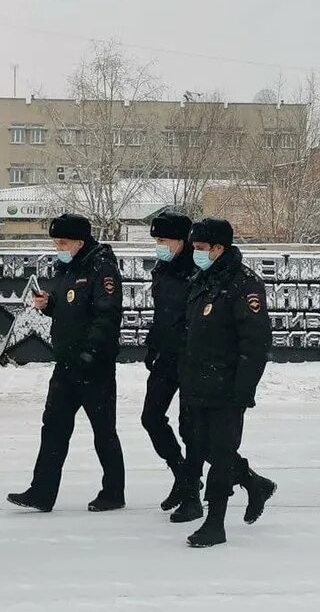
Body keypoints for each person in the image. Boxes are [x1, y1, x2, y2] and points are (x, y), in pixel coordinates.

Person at [7, 213, 125, 513]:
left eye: (64, 242)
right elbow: (70, 308)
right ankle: (41, 492)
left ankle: (113, 492)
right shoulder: (66, 268)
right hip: (66, 362)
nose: (59, 247)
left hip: (94, 365)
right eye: (56, 242)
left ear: (80, 241)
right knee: (54, 428)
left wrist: (90, 352)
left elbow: (106, 315)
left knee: (103, 430)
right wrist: (51, 305)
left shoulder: (102, 268)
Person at [177, 218, 277, 548]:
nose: (196, 254)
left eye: (202, 248)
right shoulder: (202, 280)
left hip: (226, 386)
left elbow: (256, 342)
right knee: (200, 445)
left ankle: (215, 522)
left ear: (220, 248)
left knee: (220, 452)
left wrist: (243, 390)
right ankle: (253, 482)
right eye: (195, 248)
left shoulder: (244, 284)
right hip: (197, 383)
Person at [142, 211, 196, 514]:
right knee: (151, 418)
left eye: (164, 240)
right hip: (165, 357)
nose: (159, 246)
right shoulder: (163, 268)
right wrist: (153, 347)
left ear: (182, 240)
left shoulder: (197, 270)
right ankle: (180, 472)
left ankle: (192, 486)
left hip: (189, 359)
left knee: (191, 429)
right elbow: (162, 313)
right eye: (156, 240)